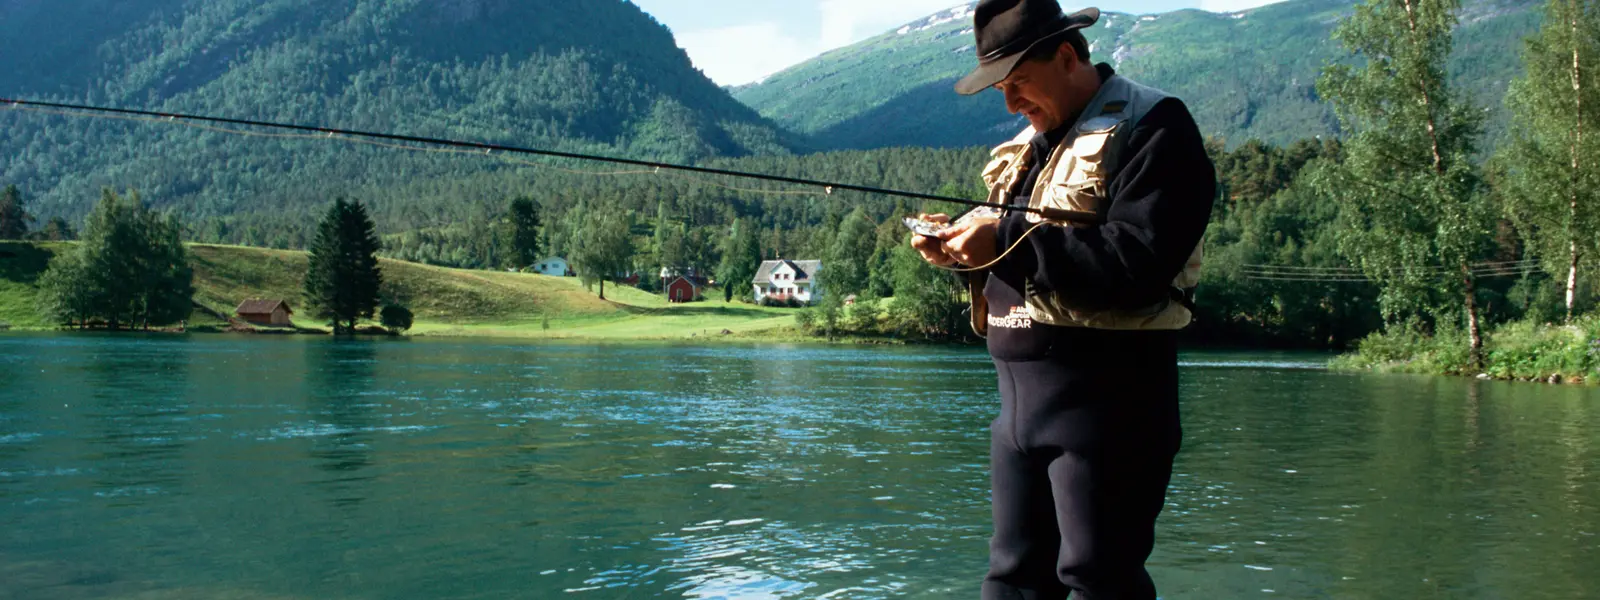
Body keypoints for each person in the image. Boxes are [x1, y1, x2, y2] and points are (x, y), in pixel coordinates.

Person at [911, 1, 1216, 598]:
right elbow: (1033, 258)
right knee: (1012, 580)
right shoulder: (1033, 145)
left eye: (1019, 81)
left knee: (1098, 580)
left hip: (1111, 406)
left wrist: (1004, 238)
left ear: (1069, 56)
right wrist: (964, 253)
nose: (1010, 103)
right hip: (1019, 411)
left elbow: (1137, 263)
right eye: (1001, 87)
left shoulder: (1157, 127)